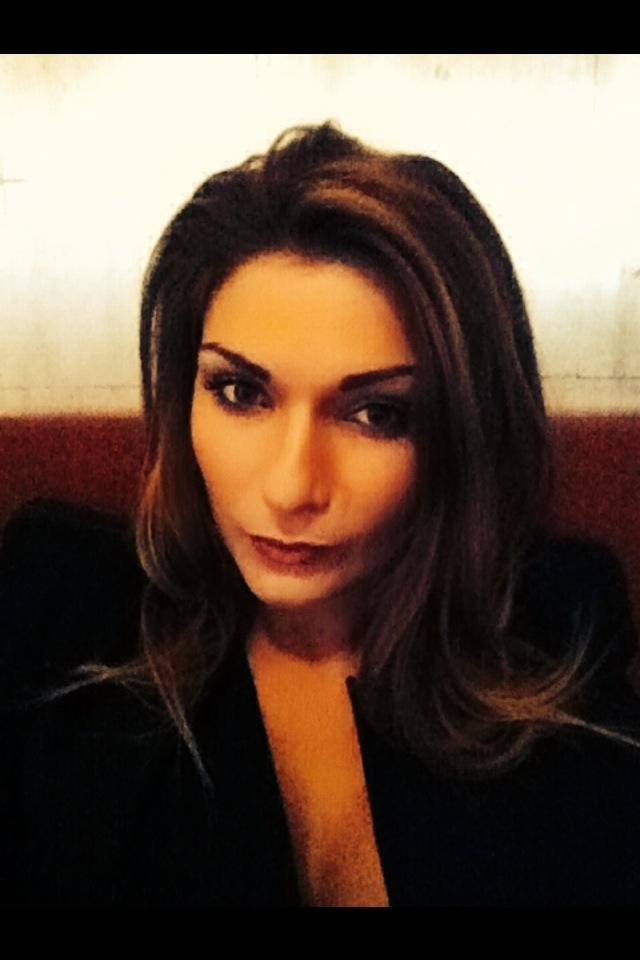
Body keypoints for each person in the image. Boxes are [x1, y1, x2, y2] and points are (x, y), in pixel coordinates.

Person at [2, 122, 639, 908]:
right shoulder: (56, 623)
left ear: (463, 438)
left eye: (377, 414)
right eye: (240, 392)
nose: (291, 487)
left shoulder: (562, 648)